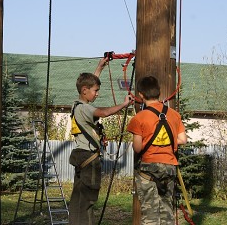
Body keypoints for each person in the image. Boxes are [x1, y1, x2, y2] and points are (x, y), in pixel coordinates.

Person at [68, 57, 133, 225]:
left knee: (79, 201)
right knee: (87, 201)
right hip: (89, 159)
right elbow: (103, 112)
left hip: (81, 156)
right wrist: (123, 105)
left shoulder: (77, 105)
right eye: (95, 91)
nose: (97, 94)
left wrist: (100, 67)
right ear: (84, 90)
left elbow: (89, 84)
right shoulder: (85, 108)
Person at [127, 75, 187, 225]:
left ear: (141, 94)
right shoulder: (174, 115)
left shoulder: (139, 118)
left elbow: (137, 147)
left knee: (150, 214)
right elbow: (182, 140)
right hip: (169, 168)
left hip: (148, 168)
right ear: (159, 92)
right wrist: (165, 142)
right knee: (167, 212)